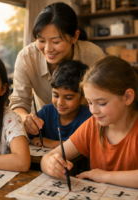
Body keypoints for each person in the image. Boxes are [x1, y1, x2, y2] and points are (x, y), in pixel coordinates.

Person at [9, 2, 105, 138]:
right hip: (45, 128)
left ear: (75, 37)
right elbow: (19, 102)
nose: (48, 49)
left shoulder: (94, 55)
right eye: (41, 40)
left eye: (56, 42)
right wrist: (26, 119)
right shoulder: (26, 57)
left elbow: (104, 101)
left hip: (87, 129)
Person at [41, 56, 138, 188]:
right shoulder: (93, 125)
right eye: (89, 102)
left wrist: (105, 176)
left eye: (101, 103)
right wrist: (51, 164)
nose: (93, 110)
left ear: (127, 97)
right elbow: (49, 157)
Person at [30, 60, 91, 148]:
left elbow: (84, 144)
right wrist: (29, 127)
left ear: (83, 97)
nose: (60, 103)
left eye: (68, 98)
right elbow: (30, 137)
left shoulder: (89, 118)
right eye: (56, 95)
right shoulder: (46, 112)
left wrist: (52, 143)